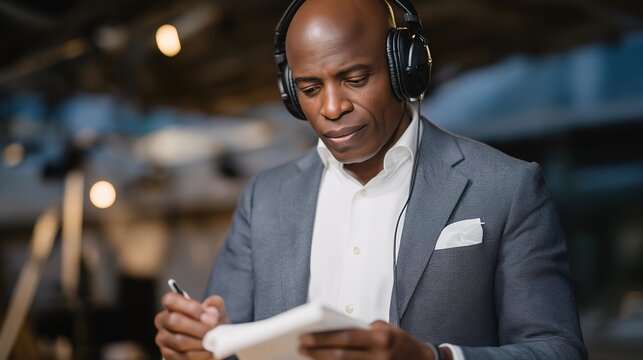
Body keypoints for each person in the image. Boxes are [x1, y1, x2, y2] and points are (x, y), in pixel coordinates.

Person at [154, 0, 587, 359]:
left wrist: (433, 358)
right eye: (308, 88)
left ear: (405, 69)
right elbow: (224, 341)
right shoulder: (263, 199)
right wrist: (196, 343)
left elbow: (558, 350)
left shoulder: (507, 187)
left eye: (355, 79)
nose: (331, 107)